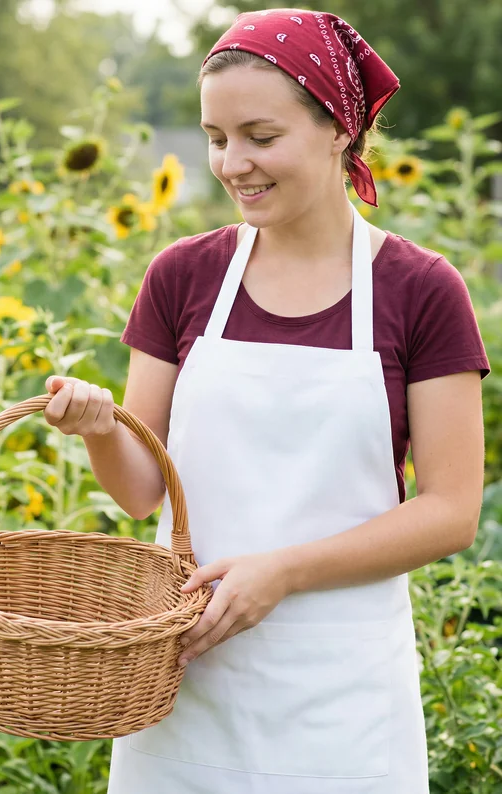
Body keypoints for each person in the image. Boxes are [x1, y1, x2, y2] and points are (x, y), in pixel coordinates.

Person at [43, 8, 490, 793]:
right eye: (217, 138)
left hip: (340, 699)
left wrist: (282, 571)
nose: (231, 163)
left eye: (260, 136)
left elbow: (451, 511)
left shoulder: (420, 290)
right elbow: (141, 492)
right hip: (183, 689)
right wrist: (98, 428)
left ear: (338, 130)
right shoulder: (182, 276)